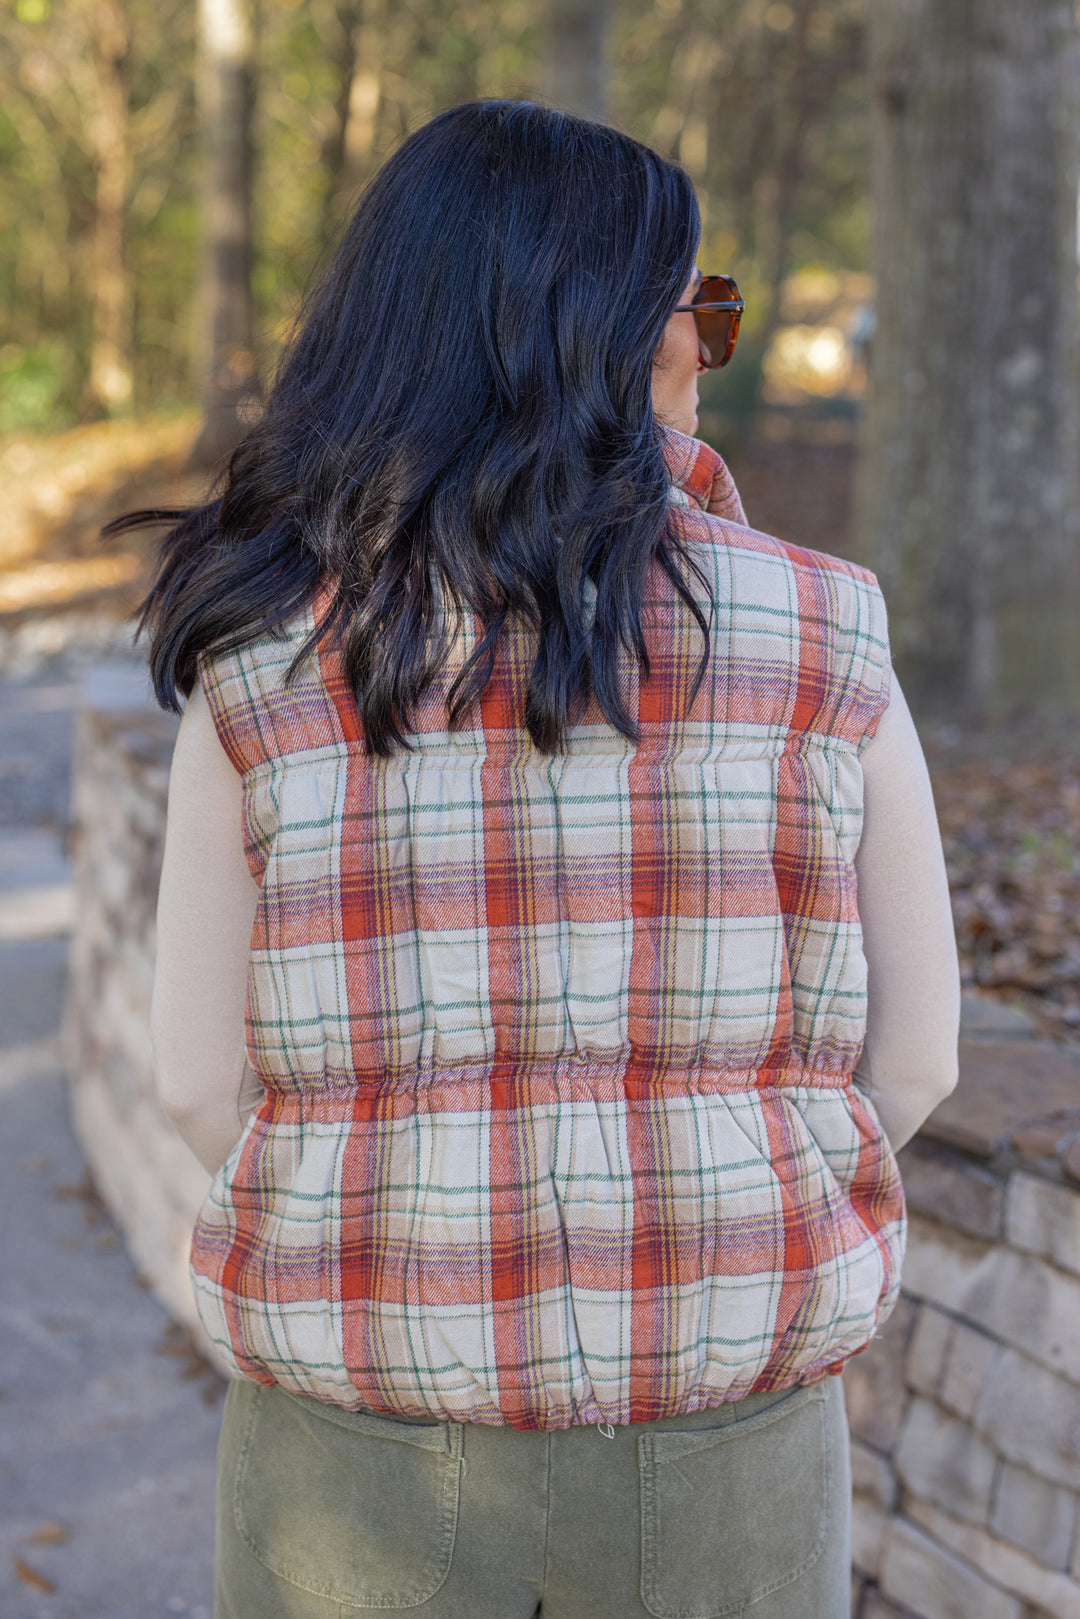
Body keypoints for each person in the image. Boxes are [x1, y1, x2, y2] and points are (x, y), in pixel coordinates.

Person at [120, 100, 959, 1619]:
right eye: (701, 308)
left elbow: (193, 1077)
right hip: (731, 1459)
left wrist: (396, 1224)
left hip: (356, 1474)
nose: (713, 348)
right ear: (605, 334)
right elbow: (918, 1060)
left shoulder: (259, 659)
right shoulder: (828, 631)